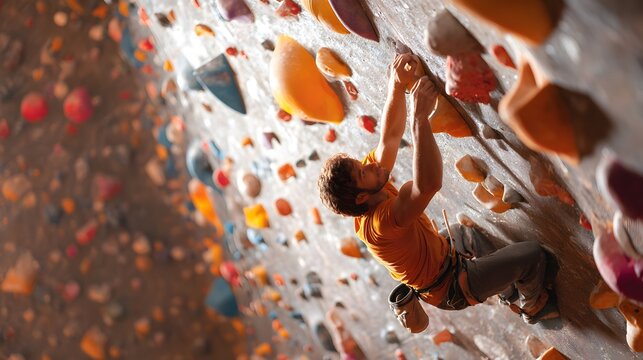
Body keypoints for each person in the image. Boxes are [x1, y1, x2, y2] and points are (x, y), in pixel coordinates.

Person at [317, 53, 558, 324]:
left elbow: (390, 138)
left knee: (465, 234)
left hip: (441, 256)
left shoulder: (368, 187)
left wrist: (396, 86)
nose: (370, 165)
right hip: (452, 287)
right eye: (363, 172)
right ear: (362, 197)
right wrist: (419, 120)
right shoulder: (380, 225)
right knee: (533, 255)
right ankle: (533, 304)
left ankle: (505, 288)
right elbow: (428, 184)